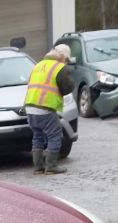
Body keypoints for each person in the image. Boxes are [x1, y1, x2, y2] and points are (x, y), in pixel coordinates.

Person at [25, 44, 74, 174]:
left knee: (37, 136)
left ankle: (38, 167)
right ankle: (51, 166)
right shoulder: (59, 68)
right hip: (44, 108)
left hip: (30, 107)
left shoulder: (38, 65)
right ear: (63, 56)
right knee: (55, 134)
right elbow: (68, 87)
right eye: (67, 59)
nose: (66, 62)